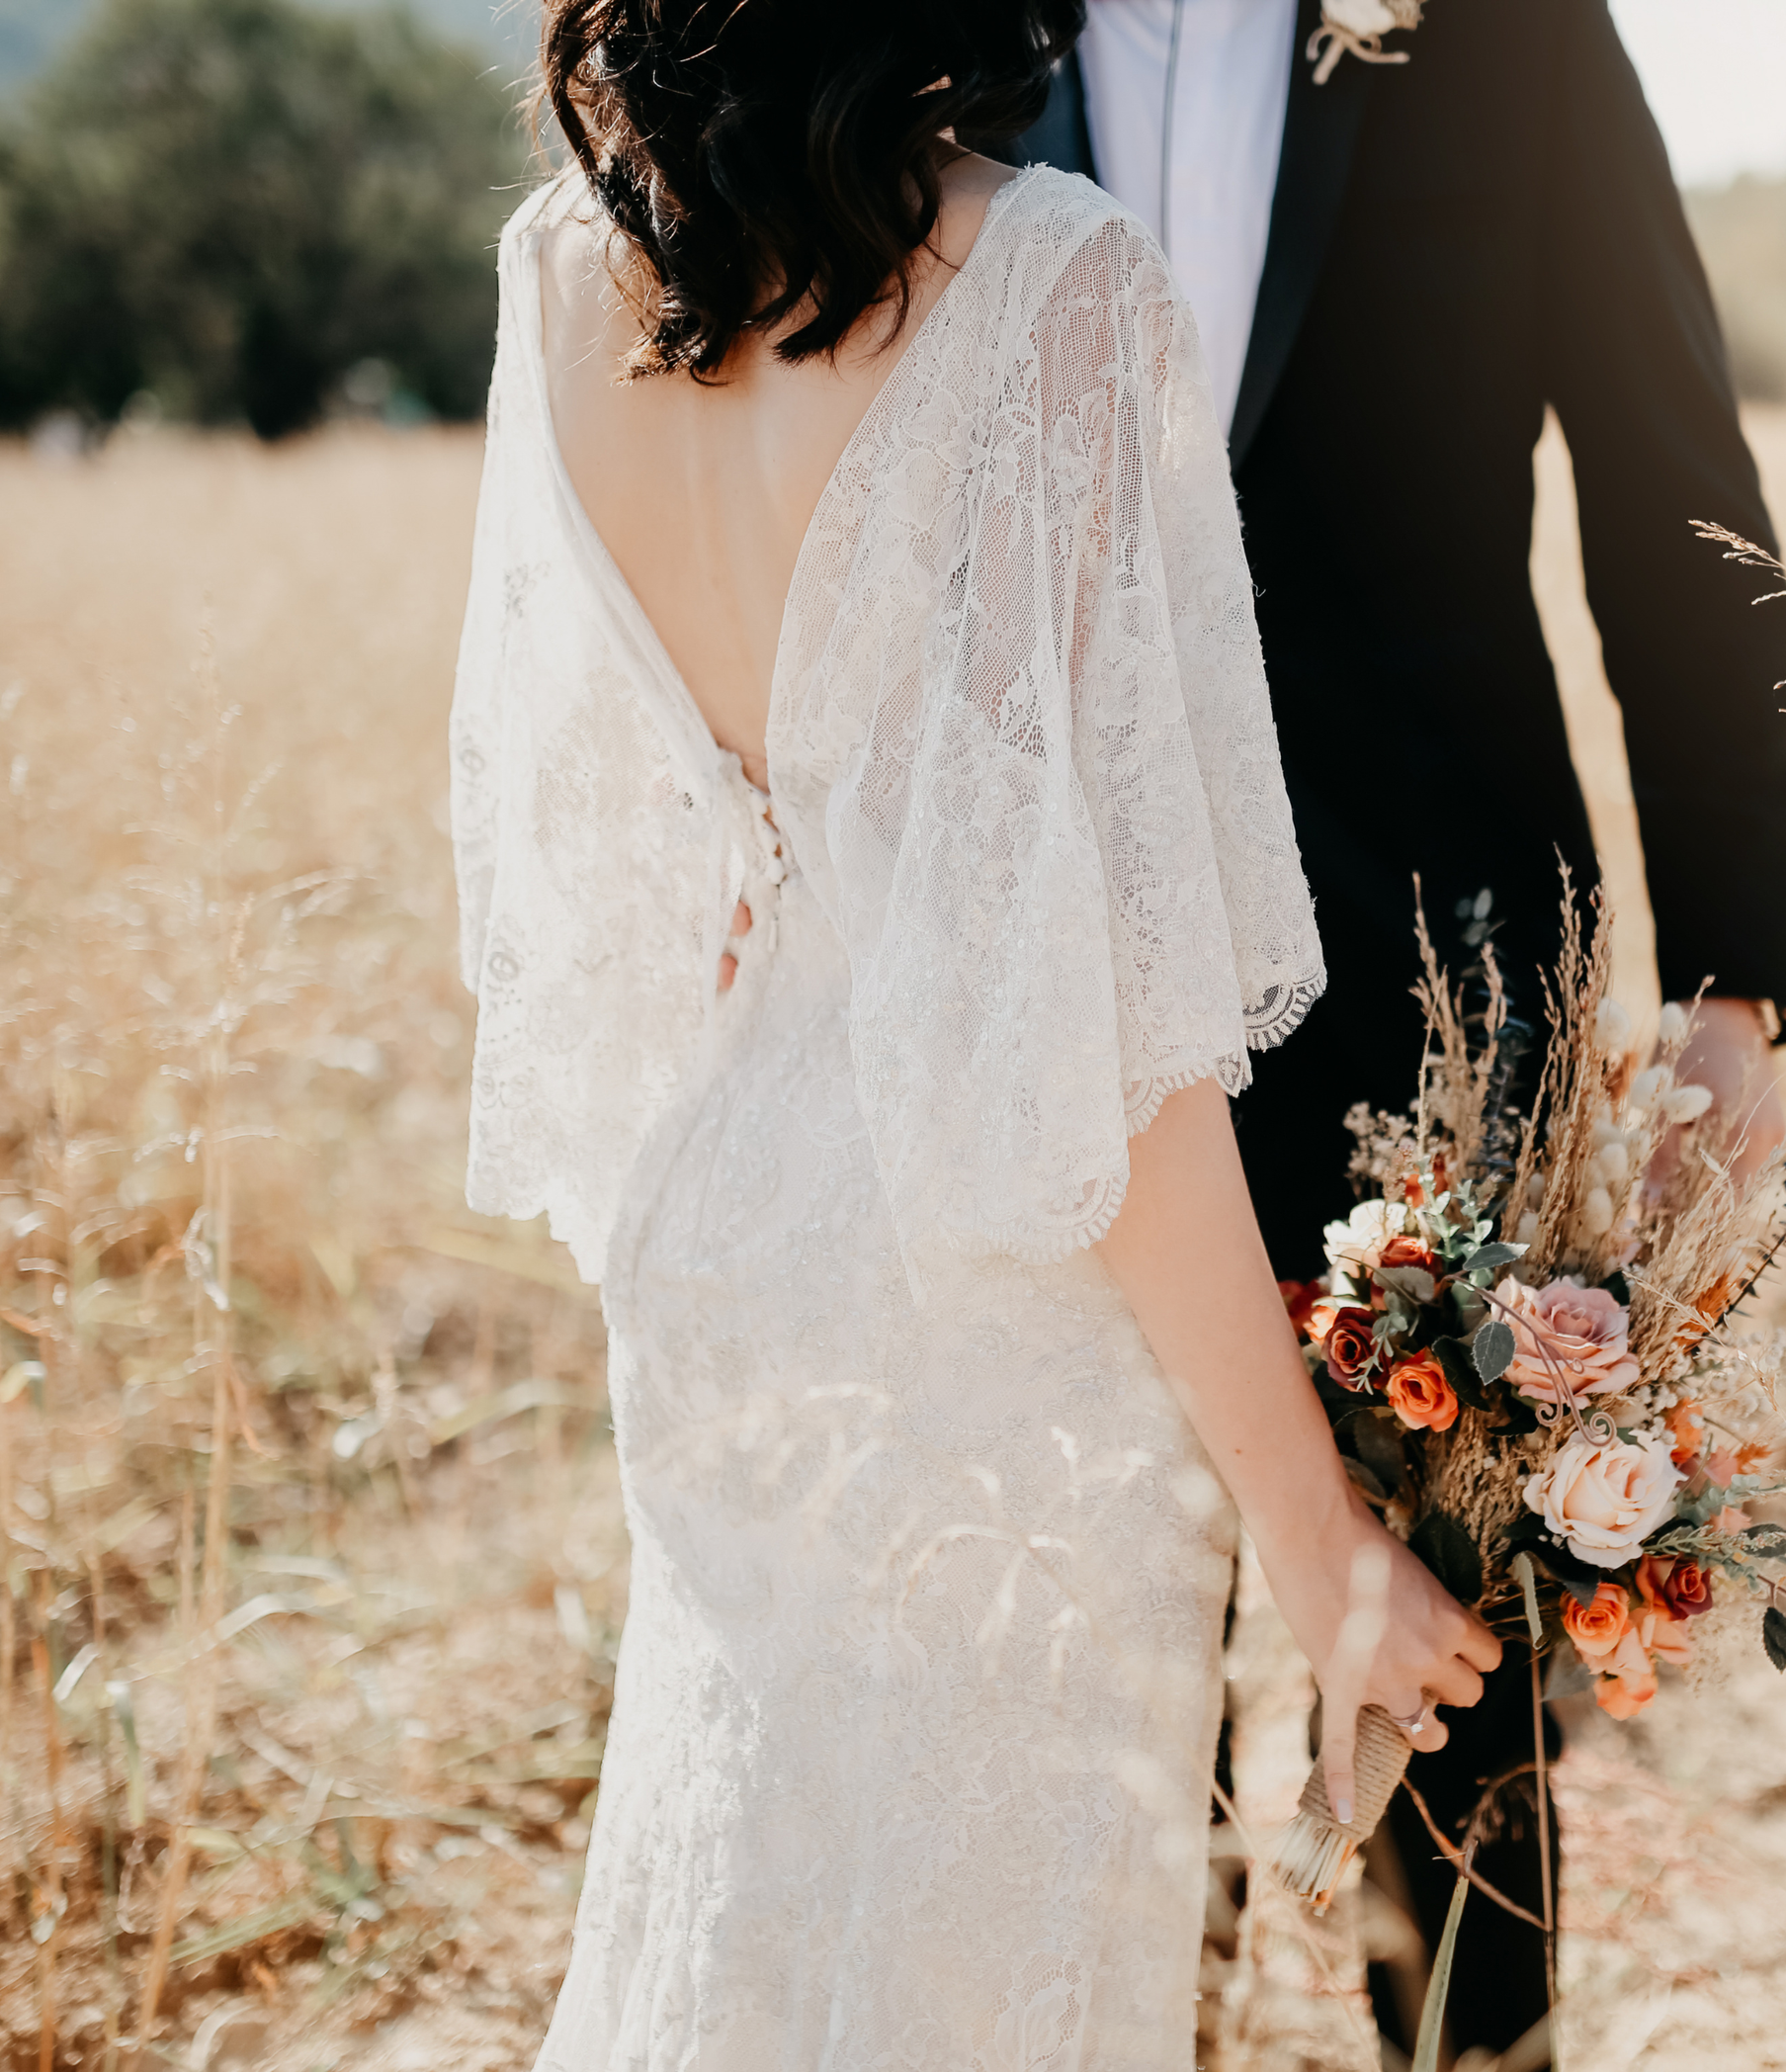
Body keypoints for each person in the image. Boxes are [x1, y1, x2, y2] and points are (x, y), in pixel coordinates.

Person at [447, 3, 1502, 2063]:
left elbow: (604, 863)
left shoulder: (567, 272)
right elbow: (1098, 1028)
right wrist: (1313, 1538)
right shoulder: (1047, 278)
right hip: (988, 1309)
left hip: (724, 1230)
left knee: (739, 1907)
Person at [995, 1, 1786, 2058]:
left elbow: (1669, 473)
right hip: (1032, 981)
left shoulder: (1506, 20)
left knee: (1456, 1709)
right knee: (1085, 1690)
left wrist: (1730, 978)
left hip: (1441, 976)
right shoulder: (913, 31)